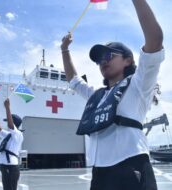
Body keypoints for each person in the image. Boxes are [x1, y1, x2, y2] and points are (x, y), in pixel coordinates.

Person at [61, 0, 164, 190]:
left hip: (131, 166)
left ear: (128, 60)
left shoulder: (139, 84)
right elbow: (74, 80)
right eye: (99, 59)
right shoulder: (98, 96)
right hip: (99, 173)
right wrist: (64, 50)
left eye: (109, 56)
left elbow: (155, 40)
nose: (102, 62)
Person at [0, 98, 24, 190]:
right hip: (5, 166)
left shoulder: (18, 134)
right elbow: (0, 130)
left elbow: (10, 125)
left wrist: (7, 108)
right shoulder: (9, 134)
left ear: (14, 124)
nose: (7, 124)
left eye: (8, 121)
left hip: (11, 167)